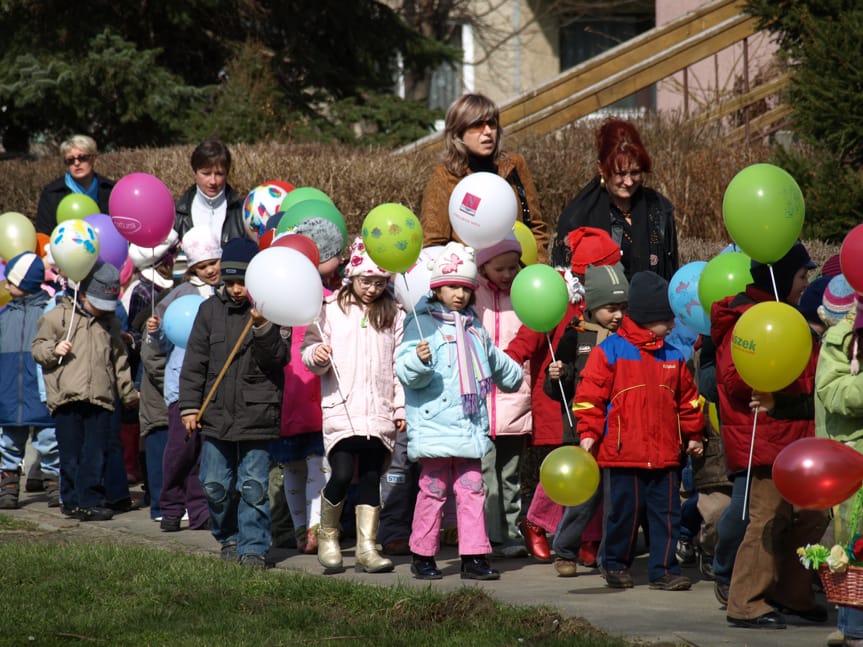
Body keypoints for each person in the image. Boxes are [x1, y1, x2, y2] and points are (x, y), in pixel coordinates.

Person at [711, 241, 828, 628]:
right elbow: (732, 376)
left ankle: (791, 592)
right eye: (800, 275)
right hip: (764, 437)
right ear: (780, 278)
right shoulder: (748, 318)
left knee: (811, 515)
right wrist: (768, 386)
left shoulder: (789, 317)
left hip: (797, 434)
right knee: (767, 518)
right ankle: (745, 599)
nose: (806, 282)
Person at [396, 242, 524, 581]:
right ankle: (422, 553)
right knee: (433, 490)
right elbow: (405, 371)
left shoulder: (473, 328)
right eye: (452, 287)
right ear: (437, 288)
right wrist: (419, 361)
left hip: (468, 425)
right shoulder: (421, 324)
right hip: (435, 424)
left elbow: (493, 360)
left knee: (472, 489)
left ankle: (474, 555)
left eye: (466, 289)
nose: (460, 295)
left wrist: (515, 373)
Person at [574, 271, 704, 590]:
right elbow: (589, 396)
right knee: (623, 514)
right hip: (623, 454)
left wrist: (694, 434)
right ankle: (615, 564)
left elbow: (688, 401)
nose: (673, 325)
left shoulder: (673, 357)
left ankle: (664, 570)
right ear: (648, 318)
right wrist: (588, 432)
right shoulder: (610, 352)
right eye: (666, 319)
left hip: (666, 455)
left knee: (667, 515)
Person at [505, 227, 621, 562]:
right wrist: (509, 361)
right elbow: (529, 335)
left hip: (603, 400)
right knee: (566, 466)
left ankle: (589, 537)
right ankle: (537, 522)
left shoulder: (610, 306)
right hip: (562, 400)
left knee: (596, 468)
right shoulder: (559, 295)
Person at [179, 238, 288, 568]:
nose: (237, 289)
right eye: (230, 282)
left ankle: (253, 546)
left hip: (257, 414)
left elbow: (279, 359)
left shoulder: (272, 310)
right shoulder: (209, 311)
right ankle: (228, 536)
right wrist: (188, 406)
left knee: (253, 486)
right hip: (215, 415)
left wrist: (263, 327)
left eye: (243, 282)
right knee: (214, 485)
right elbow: (195, 362)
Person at [301, 237, 405, 574]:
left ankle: (366, 547)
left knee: (372, 477)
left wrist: (400, 408)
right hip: (342, 408)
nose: (372, 289)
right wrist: (316, 356)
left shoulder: (394, 315)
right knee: (343, 473)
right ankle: (328, 535)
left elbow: (399, 365)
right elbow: (311, 349)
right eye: (366, 281)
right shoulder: (331, 309)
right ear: (351, 276)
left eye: (379, 282)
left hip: (379, 411)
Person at [31, 262, 139, 520]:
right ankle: (70, 499)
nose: (102, 310)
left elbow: (119, 362)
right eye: (97, 303)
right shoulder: (58, 317)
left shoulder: (109, 324)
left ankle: (90, 499)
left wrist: (127, 394)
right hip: (67, 397)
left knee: (95, 453)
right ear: (83, 292)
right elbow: (37, 348)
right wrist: (53, 350)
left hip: (100, 398)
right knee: (70, 453)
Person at [545, 262, 629, 576]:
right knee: (584, 497)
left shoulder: (629, 337)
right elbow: (554, 387)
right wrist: (558, 376)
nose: (618, 315)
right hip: (583, 429)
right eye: (610, 308)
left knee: (616, 498)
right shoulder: (575, 335)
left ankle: (613, 558)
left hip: (619, 429)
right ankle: (564, 551)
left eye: (622, 307)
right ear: (592, 306)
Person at [143, 226, 222, 531]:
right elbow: (166, 339)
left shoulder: (227, 292)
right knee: (181, 449)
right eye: (203, 266)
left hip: (214, 385)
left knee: (204, 453)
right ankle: (171, 506)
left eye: (213, 263)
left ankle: (200, 511)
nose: (210, 270)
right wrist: (155, 332)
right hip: (183, 385)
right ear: (192, 268)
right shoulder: (180, 295)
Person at [420, 93, 549, 263]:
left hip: (517, 273)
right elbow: (434, 243)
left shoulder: (513, 165)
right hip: (471, 278)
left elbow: (535, 227)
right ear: (458, 132)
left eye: (492, 123)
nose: (487, 131)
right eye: (477, 125)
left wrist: (537, 267)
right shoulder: (445, 175)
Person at [552, 118, 678, 281]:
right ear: (601, 168)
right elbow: (568, 285)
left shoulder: (658, 209)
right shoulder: (579, 217)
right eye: (621, 174)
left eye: (635, 172)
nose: (629, 182)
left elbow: (671, 272)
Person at [473, 233, 532, 558]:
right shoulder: (474, 295)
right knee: (484, 473)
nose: (508, 275)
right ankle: (488, 535)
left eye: (513, 267)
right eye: (500, 269)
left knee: (510, 473)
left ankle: (511, 534)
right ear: (483, 267)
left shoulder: (525, 294)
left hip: (514, 396)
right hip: (480, 398)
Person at [814, 296, 863, 647]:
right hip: (852, 460)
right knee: (855, 547)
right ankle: (853, 629)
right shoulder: (843, 338)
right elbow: (833, 392)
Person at [127, 232, 180, 520]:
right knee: (158, 437)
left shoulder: (178, 287)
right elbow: (138, 338)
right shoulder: (143, 291)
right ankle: (159, 500)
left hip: (174, 370)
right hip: (151, 371)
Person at [0, 252, 59, 509]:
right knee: (9, 440)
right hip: (10, 388)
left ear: (23, 283)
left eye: (10, 281)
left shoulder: (48, 312)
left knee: (49, 438)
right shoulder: (4, 316)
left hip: (40, 387)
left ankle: (55, 480)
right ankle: (8, 484)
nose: (5, 285)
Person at [35, 135, 115, 236]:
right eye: (70, 160)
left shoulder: (111, 190)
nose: (76, 163)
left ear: (94, 158)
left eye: (82, 158)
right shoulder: (51, 193)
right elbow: (44, 233)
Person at [173, 139, 246, 245]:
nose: (213, 181)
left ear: (227, 173)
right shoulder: (176, 215)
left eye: (219, 174)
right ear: (195, 171)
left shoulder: (243, 212)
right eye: (206, 174)